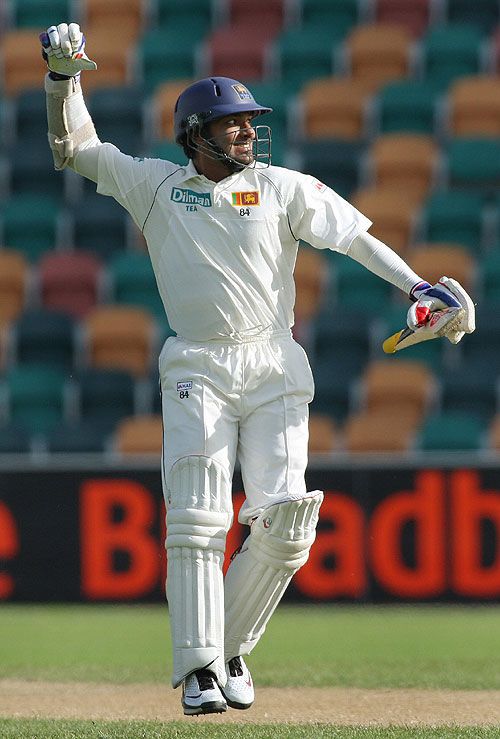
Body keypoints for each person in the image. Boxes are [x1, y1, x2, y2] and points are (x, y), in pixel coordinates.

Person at [40, 23, 475, 716]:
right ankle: (197, 673)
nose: (247, 135)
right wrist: (64, 79)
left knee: (286, 521)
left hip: (274, 359)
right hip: (198, 364)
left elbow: (355, 236)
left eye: (250, 124)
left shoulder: (280, 187)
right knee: (198, 516)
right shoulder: (155, 186)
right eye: (233, 125)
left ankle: (228, 648)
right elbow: (78, 148)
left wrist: (418, 286)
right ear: (195, 134)